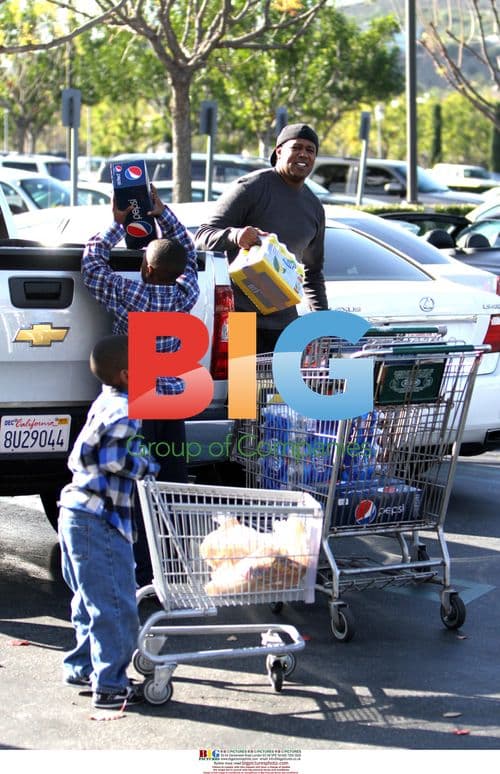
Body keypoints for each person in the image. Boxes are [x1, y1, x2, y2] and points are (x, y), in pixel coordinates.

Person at [81, 185, 200, 585]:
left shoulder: (126, 291)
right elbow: (189, 254)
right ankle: (173, 563)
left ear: (146, 269)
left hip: (137, 399)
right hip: (172, 398)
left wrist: (119, 225)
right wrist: (162, 214)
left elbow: (92, 262)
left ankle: (140, 569)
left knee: (135, 487)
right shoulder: (185, 293)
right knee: (170, 481)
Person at [58, 335, 160, 710]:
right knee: (116, 605)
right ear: (128, 373)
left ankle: (83, 667)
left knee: (89, 601)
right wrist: (147, 465)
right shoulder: (127, 409)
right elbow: (115, 459)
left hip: (75, 511)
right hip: (99, 519)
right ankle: (110, 686)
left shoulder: (106, 400)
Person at [194, 123, 328, 353]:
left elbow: (312, 274)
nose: (304, 154)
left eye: (310, 150)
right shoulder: (251, 188)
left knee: (279, 390)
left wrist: (322, 324)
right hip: (241, 319)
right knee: (244, 390)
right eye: (296, 147)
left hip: (285, 326)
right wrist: (235, 236)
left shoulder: (314, 208)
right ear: (279, 151)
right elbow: (202, 237)